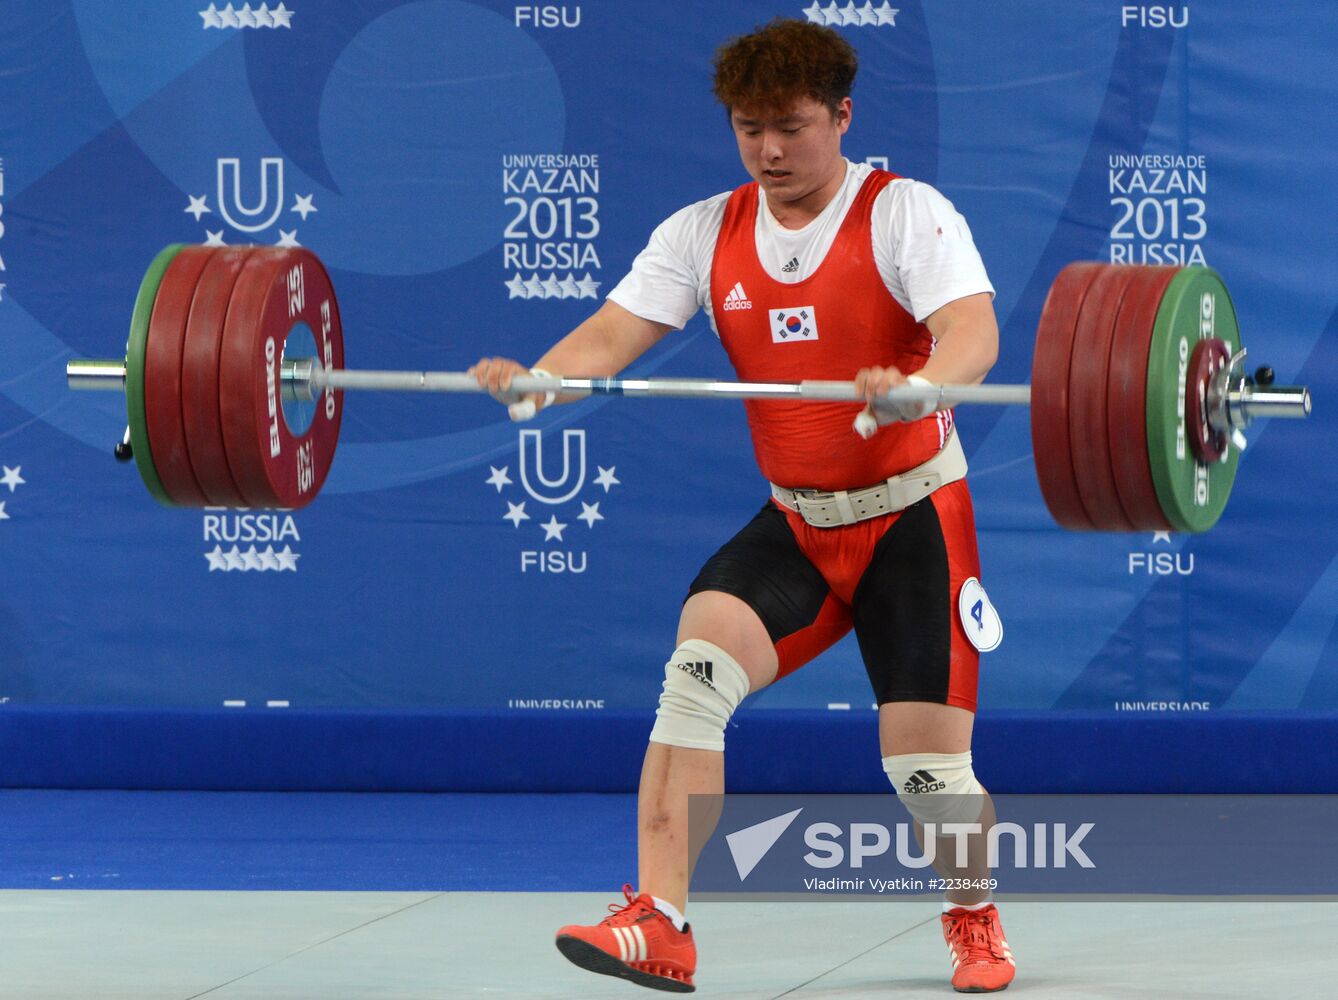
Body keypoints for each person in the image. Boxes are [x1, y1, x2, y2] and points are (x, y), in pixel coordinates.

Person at [472, 17, 1013, 995]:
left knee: (927, 774)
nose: (769, 149)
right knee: (695, 670)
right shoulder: (703, 233)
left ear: (841, 118)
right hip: (798, 523)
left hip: (913, 521)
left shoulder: (905, 215)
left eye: (792, 127)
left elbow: (971, 332)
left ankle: (973, 918)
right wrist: (537, 381)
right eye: (748, 128)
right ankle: (661, 921)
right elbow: (611, 333)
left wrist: (927, 385)